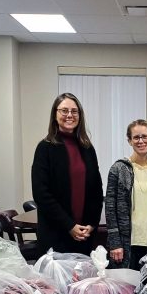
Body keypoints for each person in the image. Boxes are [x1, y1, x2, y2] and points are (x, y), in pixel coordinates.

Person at [31, 93, 104, 256]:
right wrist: (69, 225)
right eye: (64, 111)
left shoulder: (87, 148)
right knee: (55, 282)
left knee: (83, 281)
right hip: (55, 234)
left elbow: (96, 190)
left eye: (74, 111)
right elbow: (41, 193)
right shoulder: (45, 148)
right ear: (55, 115)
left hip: (84, 235)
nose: (69, 115)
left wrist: (91, 224)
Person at [105, 120, 147, 270]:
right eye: (136, 137)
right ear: (129, 141)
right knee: (126, 290)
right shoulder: (118, 169)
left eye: (145, 136)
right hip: (126, 244)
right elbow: (110, 208)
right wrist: (115, 243)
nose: (141, 141)